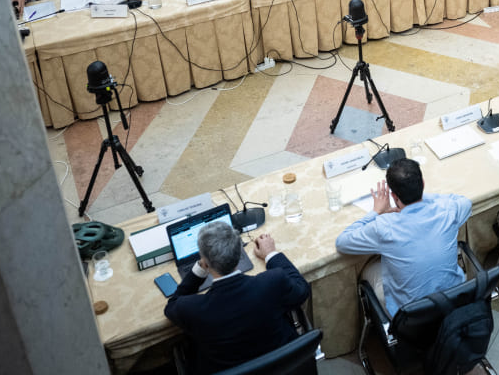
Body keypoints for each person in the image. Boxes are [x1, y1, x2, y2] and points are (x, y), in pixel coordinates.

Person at [164, 223, 311, 375]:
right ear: (239, 253)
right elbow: (301, 288)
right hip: (284, 367)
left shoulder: (193, 309)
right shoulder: (272, 282)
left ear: (206, 263)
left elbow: (172, 305)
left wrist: (199, 270)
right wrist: (271, 254)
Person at [335, 158, 472, 316]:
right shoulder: (448, 210)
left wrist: (376, 211)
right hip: (454, 300)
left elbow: (342, 242)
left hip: (413, 317)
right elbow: (464, 201)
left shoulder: (384, 226)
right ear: (423, 183)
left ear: (393, 196)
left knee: (368, 270)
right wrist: (418, 196)